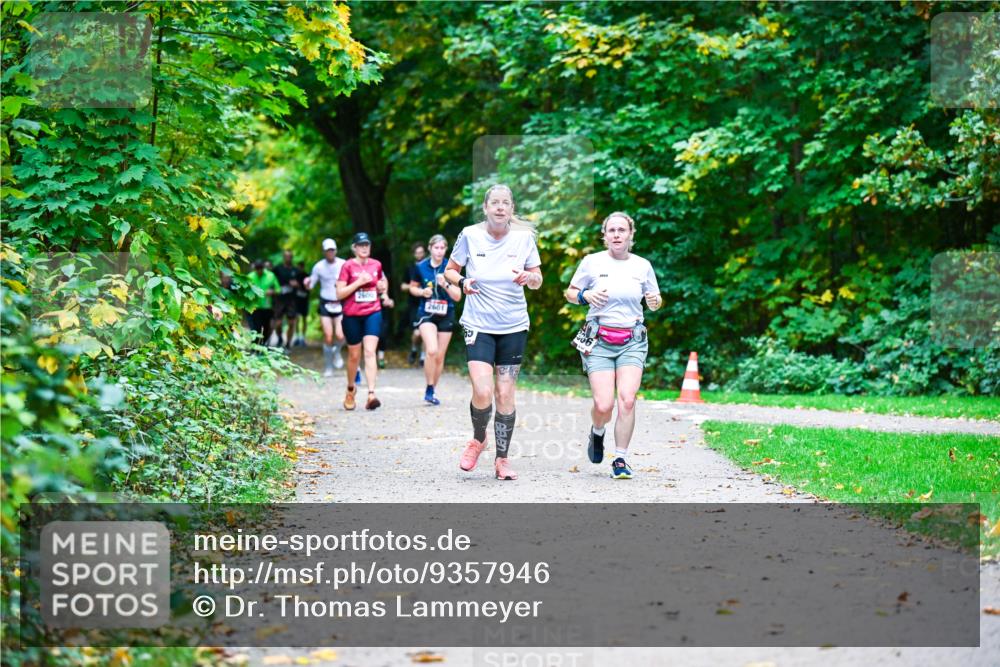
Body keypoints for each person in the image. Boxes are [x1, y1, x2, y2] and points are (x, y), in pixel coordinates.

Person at [444, 184, 542, 481]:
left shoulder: (524, 239)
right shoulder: (470, 235)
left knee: (505, 393)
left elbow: (538, 279)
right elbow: (449, 270)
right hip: (478, 325)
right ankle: (478, 439)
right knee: (483, 391)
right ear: (485, 208)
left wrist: (530, 277)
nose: (500, 207)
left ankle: (502, 459)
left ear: (512, 209)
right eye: (495, 203)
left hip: (513, 326)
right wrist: (462, 282)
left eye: (506, 203)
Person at [564, 212, 662, 480]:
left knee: (627, 400)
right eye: (611, 230)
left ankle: (620, 459)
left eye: (622, 230)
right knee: (604, 404)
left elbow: (654, 297)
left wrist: (655, 302)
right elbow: (570, 293)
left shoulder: (643, 265)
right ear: (604, 236)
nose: (617, 235)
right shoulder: (591, 262)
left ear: (631, 235)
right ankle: (597, 432)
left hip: (632, 339)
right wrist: (585, 296)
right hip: (598, 340)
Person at [336, 232, 393, 410]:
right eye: (360, 245)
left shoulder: (376, 264)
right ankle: (351, 389)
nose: (364, 248)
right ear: (354, 248)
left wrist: (383, 291)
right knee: (354, 355)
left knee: (370, 351)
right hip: (352, 315)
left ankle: (371, 394)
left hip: (372, 312)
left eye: (367, 245)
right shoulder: (347, 266)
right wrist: (358, 282)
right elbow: (340, 294)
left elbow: (383, 283)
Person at [409, 234, 462, 405]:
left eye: (442, 248)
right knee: (431, 350)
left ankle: (431, 390)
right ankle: (429, 385)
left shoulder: (451, 268)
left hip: (446, 313)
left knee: (439, 356)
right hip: (426, 313)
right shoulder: (421, 266)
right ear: (430, 248)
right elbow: (412, 288)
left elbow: (458, 296)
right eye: (436, 248)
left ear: (446, 249)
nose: (439, 251)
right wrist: (422, 292)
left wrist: (445, 284)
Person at [304, 238, 347, 377]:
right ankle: (328, 367)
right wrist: (307, 283)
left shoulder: (343, 264)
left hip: (340, 302)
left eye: (332, 250)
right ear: (324, 251)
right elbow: (311, 285)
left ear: (336, 250)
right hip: (325, 303)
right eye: (328, 250)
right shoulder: (318, 267)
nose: (330, 252)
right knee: (328, 336)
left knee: (341, 335)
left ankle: (337, 352)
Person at [272, 249, 305, 349]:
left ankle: (288, 344)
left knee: (291, 323)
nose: (288, 258)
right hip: (279, 299)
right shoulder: (277, 269)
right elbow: (272, 282)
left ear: (292, 257)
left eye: (290, 256)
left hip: (292, 300)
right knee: (278, 324)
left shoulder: (296, 271)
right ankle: (280, 338)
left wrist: (296, 285)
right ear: (283, 257)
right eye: (286, 256)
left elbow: (302, 286)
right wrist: (275, 290)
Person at [404, 243, 427, 366]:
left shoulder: (428, 267)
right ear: (414, 254)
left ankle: (423, 357)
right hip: (414, 304)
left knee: (425, 332)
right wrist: (414, 286)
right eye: (417, 252)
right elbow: (403, 286)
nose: (419, 255)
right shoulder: (410, 268)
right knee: (417, 333)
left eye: (421, 252)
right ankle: (414, 348)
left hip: (427, 303)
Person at [247, 259, 280, 345]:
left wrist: (272, 292)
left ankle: (262, 344)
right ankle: (256, 346)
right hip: (255, 307)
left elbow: (278, 289)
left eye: (260, 268)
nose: (259, 271)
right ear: (255, 269)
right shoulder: (250, 277)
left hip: (267, 307)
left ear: (263, 268)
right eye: (257, 269)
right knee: (257, 328)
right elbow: (245, 291)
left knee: (266, 328)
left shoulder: (271, 276)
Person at [293, 260, 309, 346]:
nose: (300, 268)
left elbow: (309, 288)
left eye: (301, 267)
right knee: (297, 318)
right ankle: (297, 337)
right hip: (297, 301)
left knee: (304, 319)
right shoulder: (295, 276)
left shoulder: (307, 276)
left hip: (305, 300)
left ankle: (303, 337)